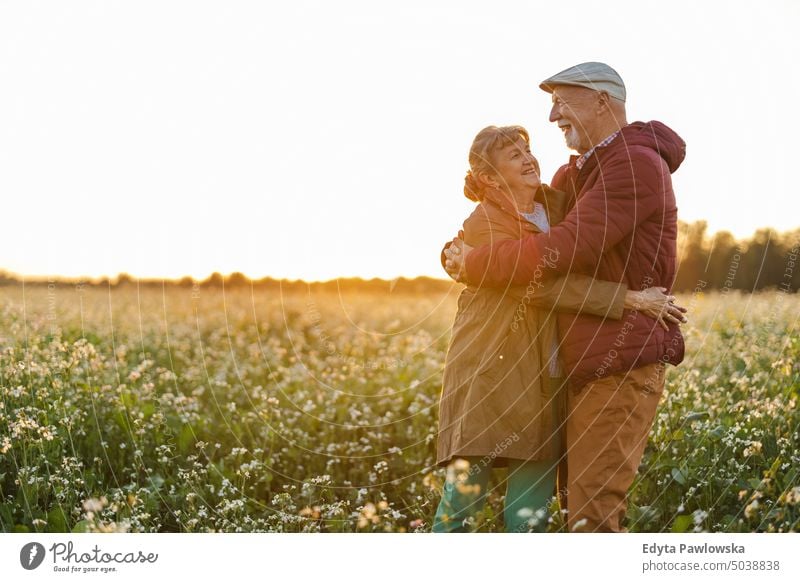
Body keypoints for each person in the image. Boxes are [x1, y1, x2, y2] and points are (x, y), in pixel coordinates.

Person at [444, 62, 686, 533]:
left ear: (601, 101)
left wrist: (472, 264)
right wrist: (455, 252)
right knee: (575, 512)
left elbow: (565, 247)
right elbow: (505, 234)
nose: (552, 115)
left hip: (619, 357)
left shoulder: (632, 165)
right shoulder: (575, 174)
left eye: (562, 100)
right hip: (565, 367)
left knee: (590, 516)